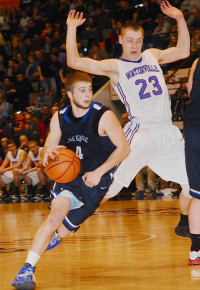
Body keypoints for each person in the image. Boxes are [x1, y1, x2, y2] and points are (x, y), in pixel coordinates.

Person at [64, 1, 191, 238]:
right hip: (141, 133)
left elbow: (183, 51)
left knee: (193, 182)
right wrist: (72, 28)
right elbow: (75, 62)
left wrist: (180, 18)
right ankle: (70, 217)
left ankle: (185, 223)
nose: (135, 45)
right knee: (110, 187)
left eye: (139, 40)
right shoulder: (115, 66)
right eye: (130, 40)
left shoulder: (152, 56)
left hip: (167, 132)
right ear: (120, 40)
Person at [11, 71, 130, 290]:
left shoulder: (104, 116)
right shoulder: (59, 116)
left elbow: (124, 149)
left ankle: (61, 233)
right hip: (69, 177)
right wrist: (48, 151)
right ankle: (27, 269)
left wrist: (99, 172)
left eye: (90, 90)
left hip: (97, 181)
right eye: (82, 91)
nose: (88, 94)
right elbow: (50, 144)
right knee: (55, 216)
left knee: (63, 230)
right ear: (69, 94)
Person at [183, 58, 200, 265]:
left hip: (194, 125)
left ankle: (196, 251)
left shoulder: (197, 61)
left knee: (198, 192)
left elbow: (190, 88)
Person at [0, 139, 27, 203]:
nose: (11, 148)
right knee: (12, 171)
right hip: (14, 172)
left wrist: (4, 169)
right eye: (9, 147)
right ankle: (5, 193)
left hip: (24, 172)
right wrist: (1, 169)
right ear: (8, 148)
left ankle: (17, 193)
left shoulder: (22, 152)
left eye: (13, 146)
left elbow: (18, 165)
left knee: (14, 170)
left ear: (16, 146)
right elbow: (3, 165)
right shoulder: (9, 153)